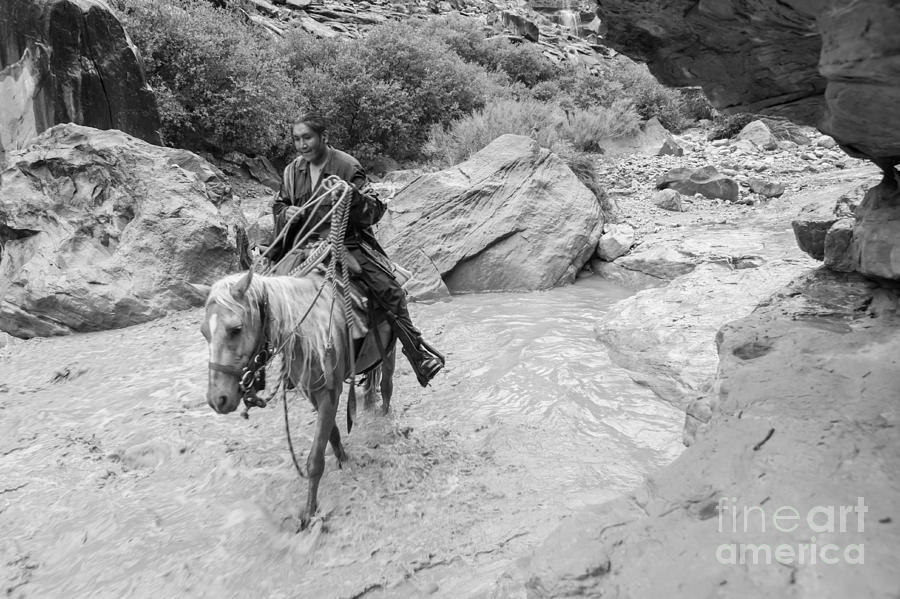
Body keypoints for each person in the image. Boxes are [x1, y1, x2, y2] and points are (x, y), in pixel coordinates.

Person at [270, 112, 444, 387]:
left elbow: (375, 209)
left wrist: (352, 197)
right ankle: (267, 361)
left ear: (323, 137)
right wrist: (285, 212)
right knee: (265, 294)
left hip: (347, 244)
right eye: (297, 139)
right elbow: (279, 205)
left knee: (392, 292)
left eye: (308, 138)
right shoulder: (292, 171)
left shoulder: (348, 166)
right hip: (303, 246)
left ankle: (417, 354)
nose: (302, 145)